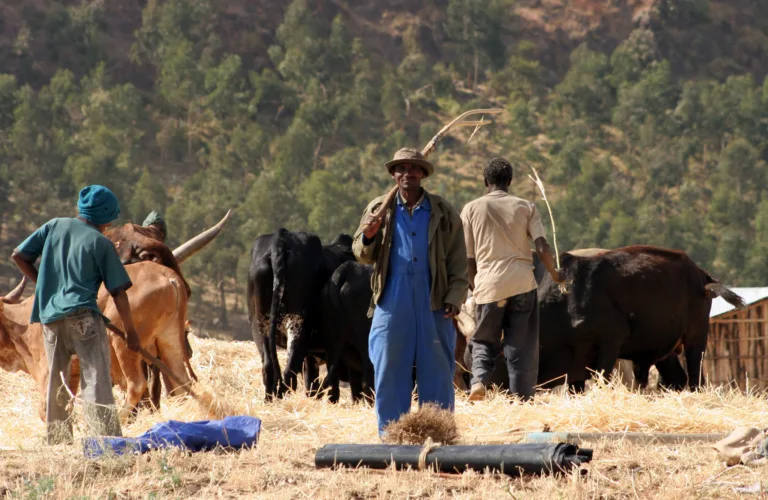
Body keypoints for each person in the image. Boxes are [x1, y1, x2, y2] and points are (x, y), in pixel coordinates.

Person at [11, 185, 140, 444]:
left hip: (50, 319)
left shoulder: (54, 226)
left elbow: (19, 255)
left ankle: (58, 441)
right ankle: (102, 442)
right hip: (84, 319)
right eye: (110, 219)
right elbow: (118, 291)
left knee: (56, 380)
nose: (110, 224)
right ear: (103, 216)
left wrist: (45, 285)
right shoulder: (101, 243)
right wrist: (130, 332)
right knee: (95, 380)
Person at [353, 147, 468, 436]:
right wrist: (369, 235)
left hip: (434, 303)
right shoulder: (379, 209)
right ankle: (392, 437)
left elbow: (458, 260)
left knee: (438, 373)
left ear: (423, 174)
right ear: (393, 174)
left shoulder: (442, 211)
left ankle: (438, 436)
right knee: (389, 371)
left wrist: (455, 297)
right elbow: (361, 254)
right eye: (401, 168)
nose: (408, 173)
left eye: (414, 168)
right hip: (392, 301)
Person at [460, 157, 564, 402]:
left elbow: (468, 257)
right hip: (522, 285)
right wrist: (555, 274)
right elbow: (542, 246)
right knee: (522, 347)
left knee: (484, 340)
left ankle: (478, 382)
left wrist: (476, 287)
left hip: (488, 285)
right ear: (510, 181)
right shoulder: (526, 206)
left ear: (486, 181)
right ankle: (522, 398)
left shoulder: (471, 209)